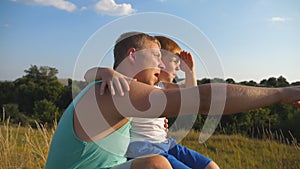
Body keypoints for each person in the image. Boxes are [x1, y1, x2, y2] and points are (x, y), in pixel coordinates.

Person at [46, 31, 300, 169]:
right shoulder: (114, 91)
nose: (161, 62)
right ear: (132, 55)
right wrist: (280, 93)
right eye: (156, 55)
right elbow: (203, 99)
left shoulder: (112, 87)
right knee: (156, 165)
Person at [85, 35, 217, 169]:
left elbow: (191, 97)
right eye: (174, 61)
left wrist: (190, 72)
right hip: (144, 148)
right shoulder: (128, 84)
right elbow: (88, 75)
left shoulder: (161, 87)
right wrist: (107, 72)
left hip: (165, 143)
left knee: (210, 166)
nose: (178, 68)